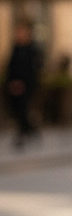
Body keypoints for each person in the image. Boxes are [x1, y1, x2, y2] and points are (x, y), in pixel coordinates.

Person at [3, 20, 42, 149]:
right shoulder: (15, 48)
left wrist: (24, 83)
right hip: (14, 85)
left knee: (23, 110)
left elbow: (33, 69)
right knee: (16, 110)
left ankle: (22, 135)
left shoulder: (32, 49)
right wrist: (12, 82)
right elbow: (11, 67)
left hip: (26, 85)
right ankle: (31, 130)